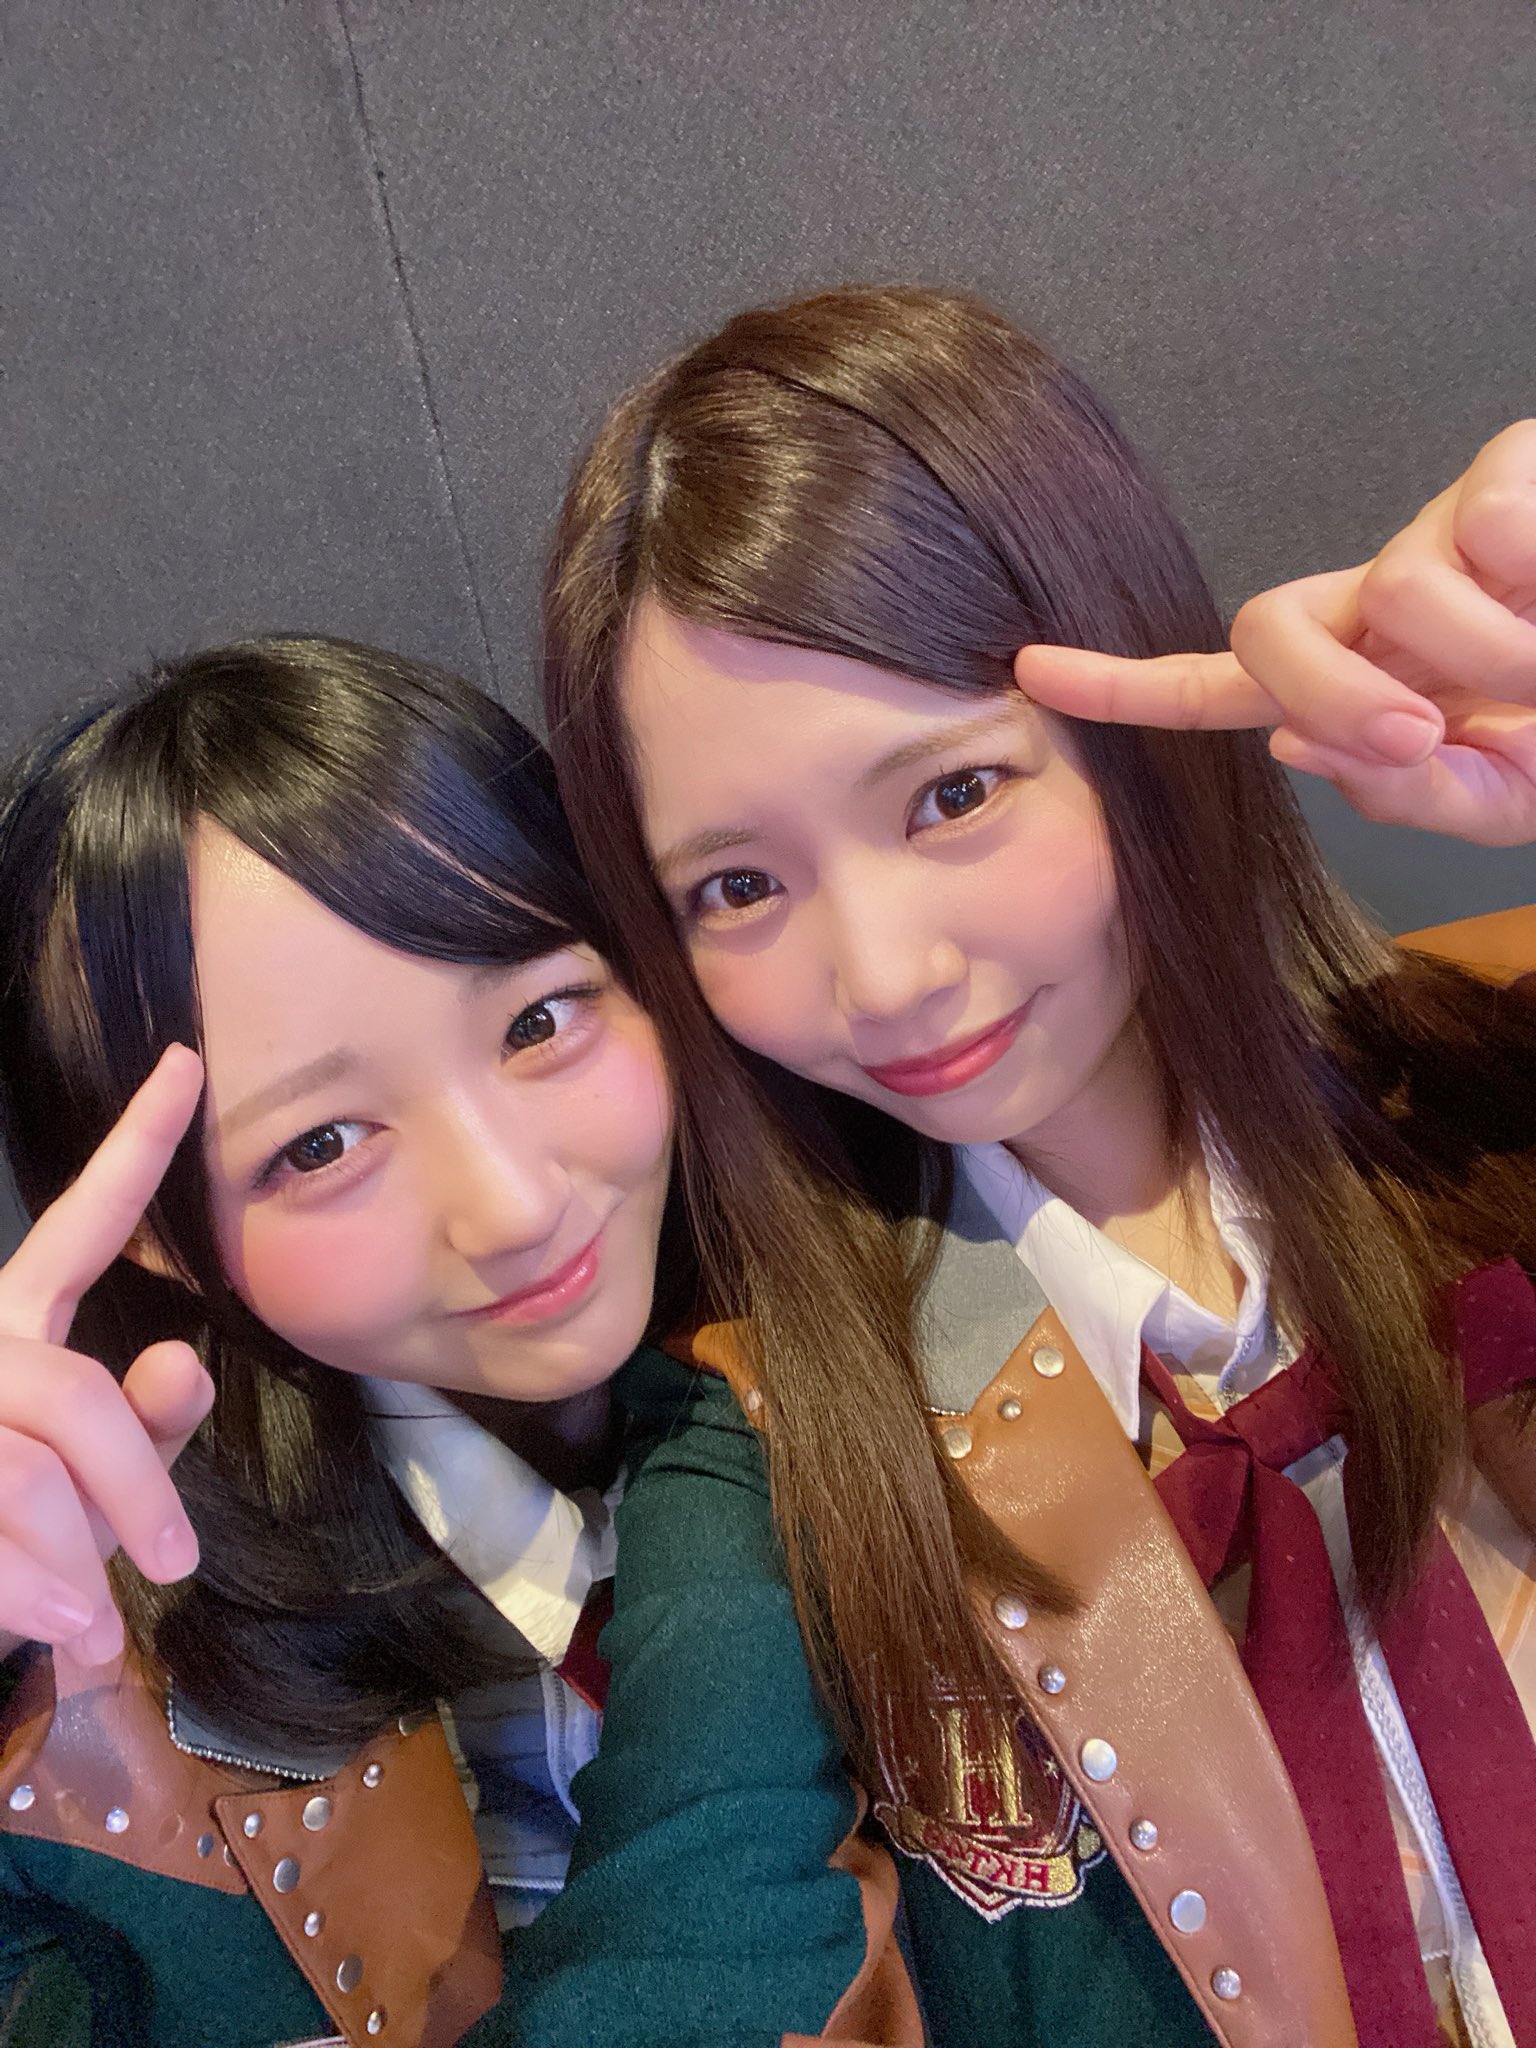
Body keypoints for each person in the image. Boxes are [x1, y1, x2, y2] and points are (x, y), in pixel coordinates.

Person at [529, 286, 1536, 2048]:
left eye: (951, 796)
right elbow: (675, 1931)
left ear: (1135, 721)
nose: (887, 977)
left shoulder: (1496, 1108)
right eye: (739, 887)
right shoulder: (768, 1444)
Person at [0, 636, 901, 2048]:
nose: (514, 1205)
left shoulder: (920, 1332)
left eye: (540, 1019)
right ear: (155, 1238)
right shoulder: (97, 1671)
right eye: (321, 1144)